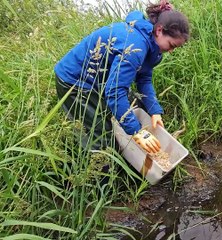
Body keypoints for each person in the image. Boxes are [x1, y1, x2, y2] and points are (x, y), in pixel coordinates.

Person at [54, 0, 189, 153]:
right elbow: (114, 92)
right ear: (159, 30)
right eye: (171, 45)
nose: (171, 51)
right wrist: (137, 132)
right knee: (100, 135)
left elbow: (144, 79)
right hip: (74, 81)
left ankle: (124, 152)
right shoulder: (135, 46)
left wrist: (154, 110)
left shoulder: (152, 47)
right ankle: (96, 169)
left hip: (100, 80)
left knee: (135, 104)